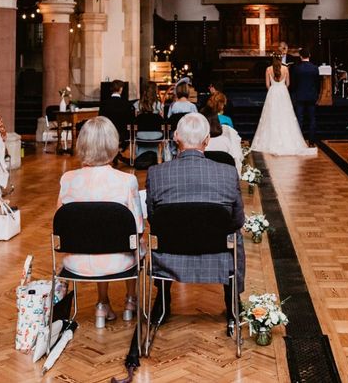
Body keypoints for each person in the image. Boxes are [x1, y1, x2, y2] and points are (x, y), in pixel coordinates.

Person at [146, 113, 245, 336]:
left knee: (162, 232)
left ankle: (162, 299)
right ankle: (232, 302)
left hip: (170, 256)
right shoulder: (228, 173)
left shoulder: (156, 173)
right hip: (218, 256)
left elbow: (154, 219)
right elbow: (238, 220)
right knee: (234, 234)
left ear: (176, 137)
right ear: (207, 140)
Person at [57, 116, 143, 327]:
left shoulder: (67, 179)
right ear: (112, 144)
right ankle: (131, 300)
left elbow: (60, 226)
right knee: (136, 241)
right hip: (118, 261)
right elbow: (137, 229)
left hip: (77, 262)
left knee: (94, 234)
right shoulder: (127, 181)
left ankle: (102, 303)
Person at [250, 54, 316, 156]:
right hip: (283, 92)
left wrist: (273, 89)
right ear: (281, 59)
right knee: (285, 116)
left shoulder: (268, 69)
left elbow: (267, 85)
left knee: (272, 117)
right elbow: (288, 84)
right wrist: (281, 88)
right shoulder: (285, 69)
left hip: (273, 93)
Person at [99, 79, 135, 164]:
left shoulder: (104, 103)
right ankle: (117, 152)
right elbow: (131, 120)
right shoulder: (126, 104)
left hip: (107, 132)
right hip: (122, 133)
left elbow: (100, 118)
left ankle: (114, 153)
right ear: (121, 89)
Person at [289, 48, 320, 145]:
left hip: (300, 96)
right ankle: (311, 141)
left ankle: (299, 141)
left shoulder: (297, 68)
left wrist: (294, 93)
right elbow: (317, 83)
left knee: (299, 118)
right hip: (311, 96)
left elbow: (294, 83)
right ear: (309, 55)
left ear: (300, 56)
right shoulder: (315, 68)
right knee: (312, 118)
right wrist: (316, 94)